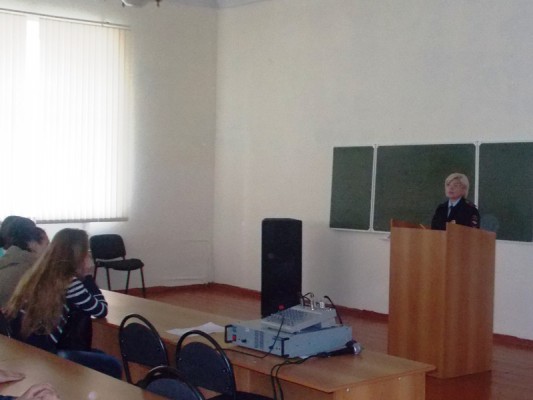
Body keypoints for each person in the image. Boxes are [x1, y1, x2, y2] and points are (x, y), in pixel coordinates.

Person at [4, 228, 122, 380]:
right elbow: (101, 310)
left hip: (25, 347)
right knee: (112, 364)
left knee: (99, 355)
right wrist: (88, 277)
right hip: (46, 355)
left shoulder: (37, 274)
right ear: (79, 255)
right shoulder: (68, 282)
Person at [0, 221, 49, 307]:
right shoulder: (32, 270)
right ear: (32, 244)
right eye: (47, 244)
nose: (49, 249)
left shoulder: (7, 262)